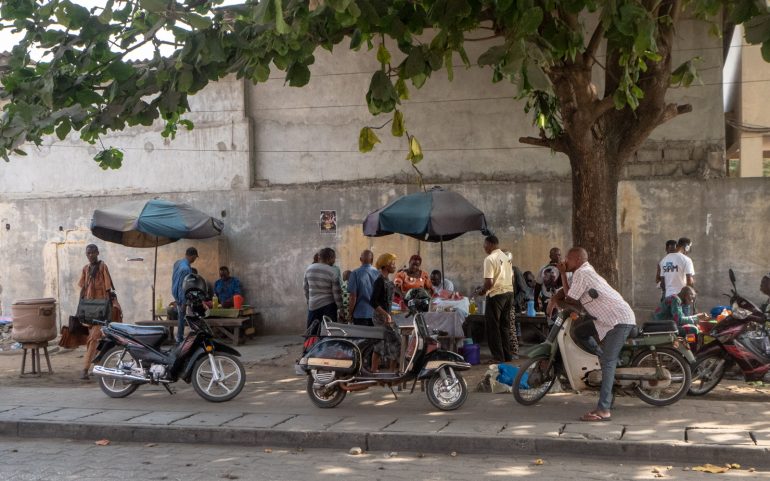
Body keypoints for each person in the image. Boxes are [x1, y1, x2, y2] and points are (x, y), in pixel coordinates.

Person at [547, 247, 636, 422]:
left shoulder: (583, 273)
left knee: (608, 363)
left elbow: (570, 297)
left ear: (578, 259)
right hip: (604, 320)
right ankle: (604, 357)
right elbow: (567, 293)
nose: (565, 262)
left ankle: (604, 409)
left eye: (568, 259)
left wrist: (563, 274)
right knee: (580, 332)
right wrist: (554, 299)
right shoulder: (582, 272)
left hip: (618, 320)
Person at [78, 244, 123, 380]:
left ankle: (85, 369)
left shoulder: (103, 266)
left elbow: (108, 288)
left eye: (92, 253)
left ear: (97, 253)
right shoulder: (85, 269)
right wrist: (81, 307)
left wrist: (111, 307)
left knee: (94, 338)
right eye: (88, 253)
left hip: (102, 310)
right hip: (90, 310)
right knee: (94, 339)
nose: (90, 255)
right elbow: (82, 289)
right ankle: (96, 365)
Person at [475, 235, 515, 363]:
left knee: (493, 327)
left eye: (485, 245)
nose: (484, 248)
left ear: (490, 244)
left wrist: (481, 291)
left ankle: (497, 357)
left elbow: (489, 282)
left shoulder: (490, 259)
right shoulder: (506, 257)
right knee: (504, 326)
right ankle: (507, 356)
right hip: (509, 294)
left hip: (496, 295)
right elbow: (512, 278)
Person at [369, 253, 401, 373]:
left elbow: (387, 300)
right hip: (380, 317)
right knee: (394, 341)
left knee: (386, 342)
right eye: (392, 264)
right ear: (386, 265)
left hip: (387, 316)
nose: (394, 266)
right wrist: (386, 314)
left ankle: (387, 370)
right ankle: (387, 371)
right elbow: (372, 301)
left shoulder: (387, 280)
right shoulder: (379, 281)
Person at [303, 247, 343, 329]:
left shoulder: (309, 269)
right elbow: (337, 294)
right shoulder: (332, 272)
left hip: (313, 305)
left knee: (312, 332)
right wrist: (341, 309)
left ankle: (312, 342)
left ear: (319, 257)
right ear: (331, 258)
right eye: (334, 258)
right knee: (329, 332)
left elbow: (305, 288)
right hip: (329, 307)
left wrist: (309, 301)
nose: (334, 260)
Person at [172, 247, 198, 343]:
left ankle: (180, 338)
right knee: (182, 317)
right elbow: (183, 286)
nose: (194, 260)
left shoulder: (177, 263)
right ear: (193, 256)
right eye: (195, 258)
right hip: (180, 295)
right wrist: (183, 302)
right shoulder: (186, 268)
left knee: (181, 317)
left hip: (175, 292)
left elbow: (175, 281)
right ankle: (179, 339)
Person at [347, 250, 380, 326]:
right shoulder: (378, 273)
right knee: (374, 337)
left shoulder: (355, 273)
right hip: (376, 314)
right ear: (372, 260)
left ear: (360, 259)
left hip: (360, 314)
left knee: (361, 337)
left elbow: (353, 297)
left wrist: (350, 313)